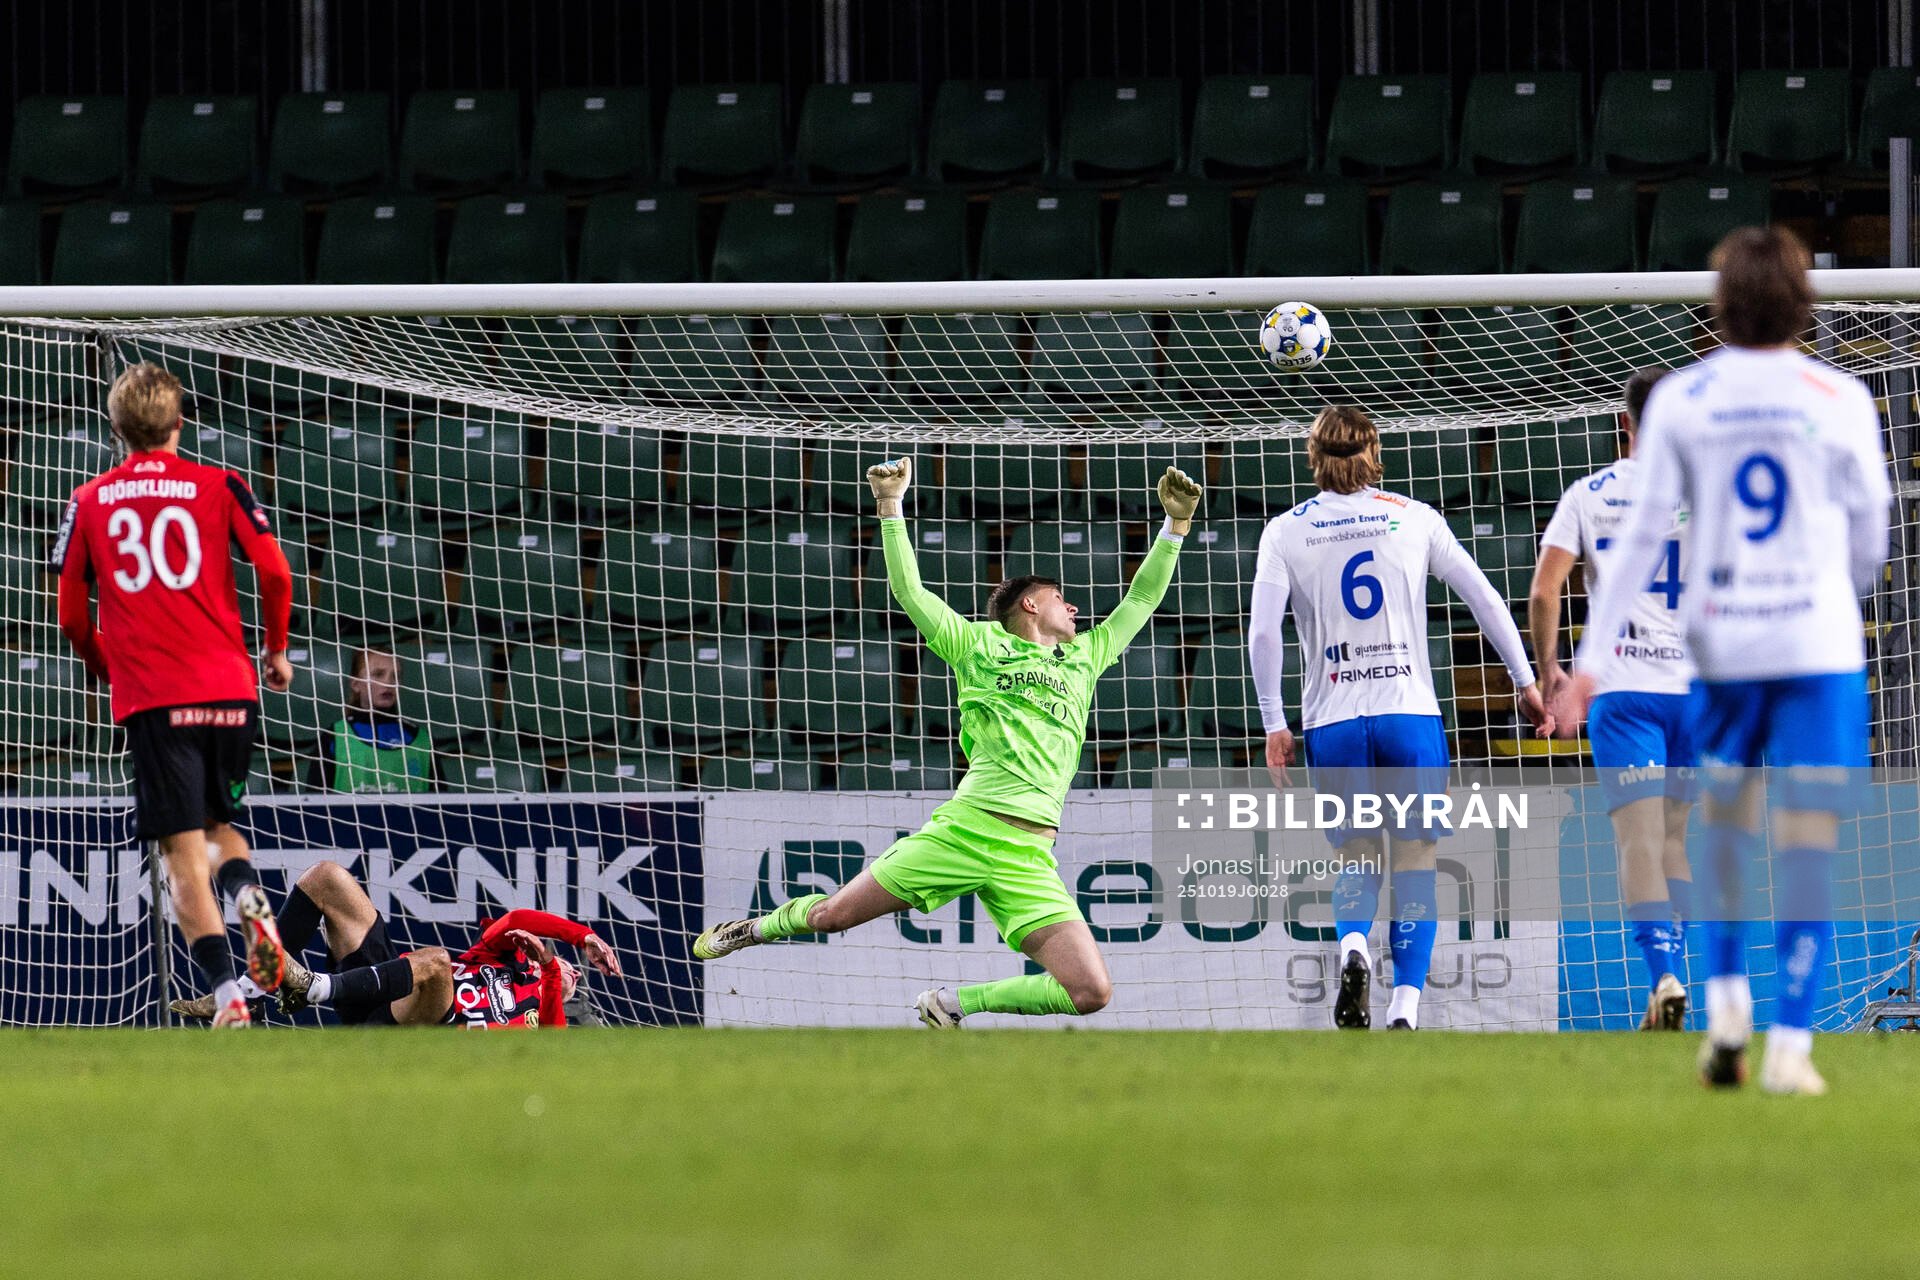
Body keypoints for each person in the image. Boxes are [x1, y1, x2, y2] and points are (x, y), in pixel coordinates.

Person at [693, 457, 1202, 1027]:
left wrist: (1174, 528)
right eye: (1063, 597)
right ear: (1030, 604)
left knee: (1090, 992)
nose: (1075, 607)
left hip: (1030, 854)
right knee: (834, 916)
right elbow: (910, 591)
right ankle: (752, 928)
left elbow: (1141, 602)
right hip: (969, 827)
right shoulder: (977, 645)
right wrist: (890, 506)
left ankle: (953, 1003)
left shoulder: (1084, 658)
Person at [1561, 227, 1892, 1095]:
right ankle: (1790, 1044)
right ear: (1802, 302)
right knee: (1808, 838)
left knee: (1724, 829)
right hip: (1817, 646)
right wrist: (1825, 596)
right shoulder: (1841, 394)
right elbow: (1872, 538)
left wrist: (1587, 663)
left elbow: (1635, 542)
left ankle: (1727, 1000)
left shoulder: (1684, 400)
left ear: (1721, 307)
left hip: (1721, 647)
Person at [1250, 405, 1554, 1031]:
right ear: (1374, 454)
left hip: (1332, 719)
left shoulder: (1284, 530)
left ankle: (1354, 947)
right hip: (1408, 714)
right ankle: (1407, 1009)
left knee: (1359, 858)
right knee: (1416, 859)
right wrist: (1525, 681)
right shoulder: (1412, 516)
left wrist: (1275, 721)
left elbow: (1261, 634)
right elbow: (1484, 598)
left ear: (1314, 458)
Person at [54, 362, 296, 1027]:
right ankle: (256, 916)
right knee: (223, 833)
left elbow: (72, 617)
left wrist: (109, 669)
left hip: (157, 698)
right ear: (178, 424)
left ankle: (230, 998)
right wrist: (275, 649)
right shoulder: (221, 484)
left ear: (117, 427)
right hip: (229, 691)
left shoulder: (91, 500)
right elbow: (276, 572)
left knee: (181, 854)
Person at [1529, 368, 1696, 1032]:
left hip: (1624, 693)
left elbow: (1546, 591)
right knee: (1676, 841)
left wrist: (1551, 673)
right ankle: (1674, 976)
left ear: (1624, 423)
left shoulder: (1589, 494)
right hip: (1695, 692)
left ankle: (1663, 975)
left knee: (1637, 842)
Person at [171, 860, 622, 1027]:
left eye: (573, 980)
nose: (573, 972)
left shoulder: (540, 1020)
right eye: (569, 966)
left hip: (416, 1028)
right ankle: (249, 995)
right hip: (378, 990)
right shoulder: (501, 962)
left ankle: (311, 988)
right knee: (328, 878)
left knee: (438, 963)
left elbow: (556, 1029)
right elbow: (518, 918)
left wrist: (547, 974)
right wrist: (583, 936)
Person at [308, 647, 436, 793]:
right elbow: (314, 803)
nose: (389, 682)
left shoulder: (422, 740)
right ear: (356, 684)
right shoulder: (333, 739)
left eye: (396, 676)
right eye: (378, 674)